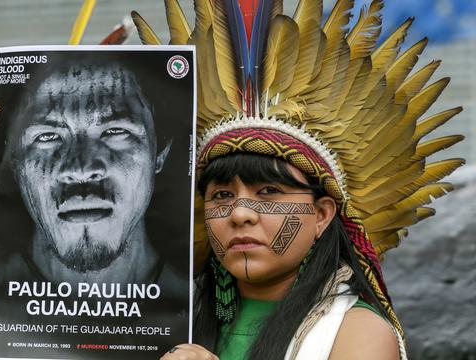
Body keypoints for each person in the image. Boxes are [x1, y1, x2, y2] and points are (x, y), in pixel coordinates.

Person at [130, 0, 464, 358]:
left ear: (322, 215)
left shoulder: (355, 332)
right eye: (222, 195)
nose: (240, 213)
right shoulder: (167, 322)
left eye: (269, 191)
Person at [0, 57, 188, 289]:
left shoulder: (204, 308)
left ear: (160, 150)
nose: (81, 170)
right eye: (47, 136)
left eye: (116, 131)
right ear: (15, 161)